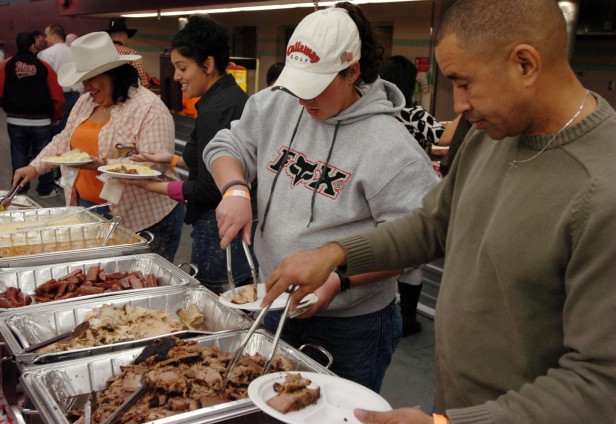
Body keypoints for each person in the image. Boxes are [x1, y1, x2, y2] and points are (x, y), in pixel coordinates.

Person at [262, 0, 616, 422]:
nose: (460, 105)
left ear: (525, 64)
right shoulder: (494, 135)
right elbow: (433, 226)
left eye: (464, 84)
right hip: (455, 402)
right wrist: (336, 254)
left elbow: (600, 382)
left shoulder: (601, 187)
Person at [204, 3, 438, 392]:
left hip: (351, 323)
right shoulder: (276, 105)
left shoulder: (392, 149)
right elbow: (227, 144)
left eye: (314, 89)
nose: (302, 102)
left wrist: (339, 278)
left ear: (352, 71)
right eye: (297, 88)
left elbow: (414, 243)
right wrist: (236, 188)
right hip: (272, 301)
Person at [12, 32, 184, 262]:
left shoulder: (150, 108)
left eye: (91, 77)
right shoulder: (86, 102)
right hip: (89, 209)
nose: (86, 86)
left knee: (137, 284)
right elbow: (64, 139)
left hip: (142, 218)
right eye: (83, 79)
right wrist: (34, 168)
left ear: (114, 74)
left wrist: (102, 165)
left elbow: (154, 165)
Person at [125, 15, 258, 293]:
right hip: (234, 221)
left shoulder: (214, 110)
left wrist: (152, 186)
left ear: (207, 64)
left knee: (214, 298)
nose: (176, 77)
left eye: (182, 67)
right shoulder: (232, 96)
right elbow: (211, 162)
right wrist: (170, 159)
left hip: (216, 225)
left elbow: (209, 188)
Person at [381, 54, 450, 336]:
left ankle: (384, 308)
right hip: (411, 189)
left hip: (380, 187)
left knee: (381, 248)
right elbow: (442, 136)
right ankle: (407, 318)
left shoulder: (377, 113)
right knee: (411, 257)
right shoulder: (415, 114)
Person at [0, 31, 64, 198]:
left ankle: (19, 189)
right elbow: (56, 94)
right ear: (33, 46)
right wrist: (57, 114)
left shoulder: (6, 65)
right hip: (42, 121)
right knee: (43, 154)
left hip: (15, 119)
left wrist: (5, 105)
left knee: (18, 153)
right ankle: (45, 189)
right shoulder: (44, 67)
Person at [39, 24, 83, 136]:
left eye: (47, 35)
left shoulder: (46, 54)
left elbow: (44, 80)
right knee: (70, 132)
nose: (45, 39)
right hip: (76, 97)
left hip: (56, 98)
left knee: (55, 135)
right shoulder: (76, 52)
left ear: (54, 36)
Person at [105, 18, 150, 88]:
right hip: (127, 95)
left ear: (110, 37)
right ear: (124, 36)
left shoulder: (102, 54)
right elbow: (143, 83)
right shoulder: (132, 54)